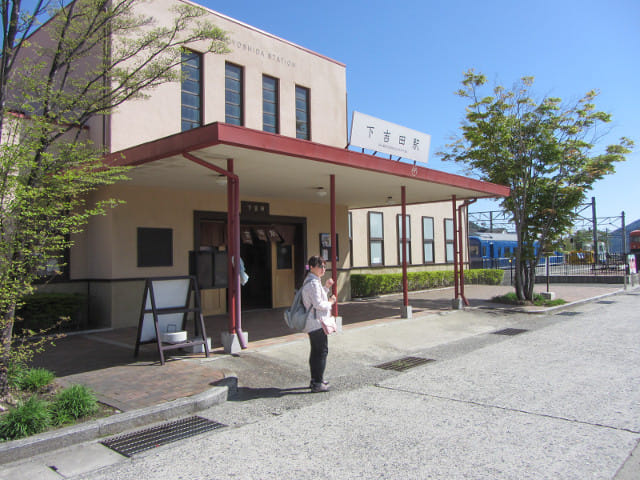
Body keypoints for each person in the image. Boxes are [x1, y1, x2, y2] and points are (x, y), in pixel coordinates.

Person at [301, 255, 336, 393]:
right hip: (316, 323)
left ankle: (316, 379)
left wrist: (326, 287)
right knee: (321, 352)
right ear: (312, 267)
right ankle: (317, 382)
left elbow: (317, 298)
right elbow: (319, 304)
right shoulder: (313, 283)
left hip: (313, 322)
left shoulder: (312, 280)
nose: (323, 269)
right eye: (320, 266)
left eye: (324, 266)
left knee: (316, 352)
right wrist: (331, 302)